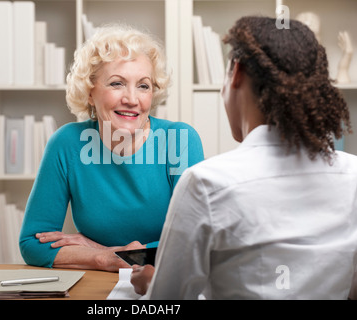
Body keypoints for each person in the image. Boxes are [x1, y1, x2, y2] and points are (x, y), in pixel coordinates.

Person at [131, 16, 357, 299]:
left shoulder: (205, 183)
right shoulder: (353, 175)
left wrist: (153, 283)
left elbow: (167, 303)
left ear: (236, 73)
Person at [19, 24, 204, 272]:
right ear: (89, 92)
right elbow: (32, 243)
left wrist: (101, 249)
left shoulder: (179, 140)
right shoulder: (67, 144)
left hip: (163, 285)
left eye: (143, 85)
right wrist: (102, 258)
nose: (131, 99)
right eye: (117, 84)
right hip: (95, 285)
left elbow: (194, 242)